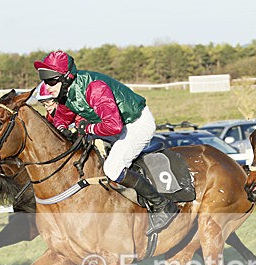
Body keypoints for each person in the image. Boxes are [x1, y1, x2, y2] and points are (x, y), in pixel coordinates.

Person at [33, 50, 177, 235]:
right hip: (115, 125)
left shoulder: (95, 88)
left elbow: (114, 126)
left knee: (112, 169)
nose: (48, 85)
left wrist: (87, 128)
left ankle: (162, 205)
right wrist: (61, 129)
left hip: (135, 124)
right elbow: (62, 116)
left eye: (52, 80)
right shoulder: (66, 92)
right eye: (45, 80)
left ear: (67, 77)